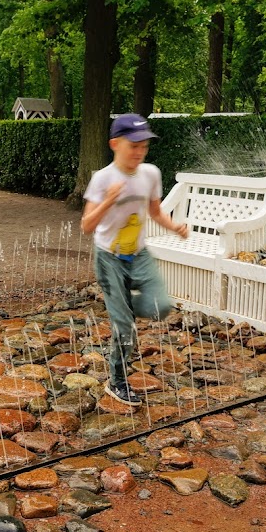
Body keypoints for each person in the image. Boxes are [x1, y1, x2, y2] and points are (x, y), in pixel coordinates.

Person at [81, 113, 188, 407]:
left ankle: (123, 313)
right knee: (125, 327)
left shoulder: (150, 173)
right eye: (134, 146)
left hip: (139, 255)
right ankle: (116, 382)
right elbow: (87, 226)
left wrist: (174, 226)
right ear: (115, 143)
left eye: (144, 146)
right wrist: (108, 201)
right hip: (109, 258)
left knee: (162, 306)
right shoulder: (103, 178)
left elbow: (155, 212)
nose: (140, 152)